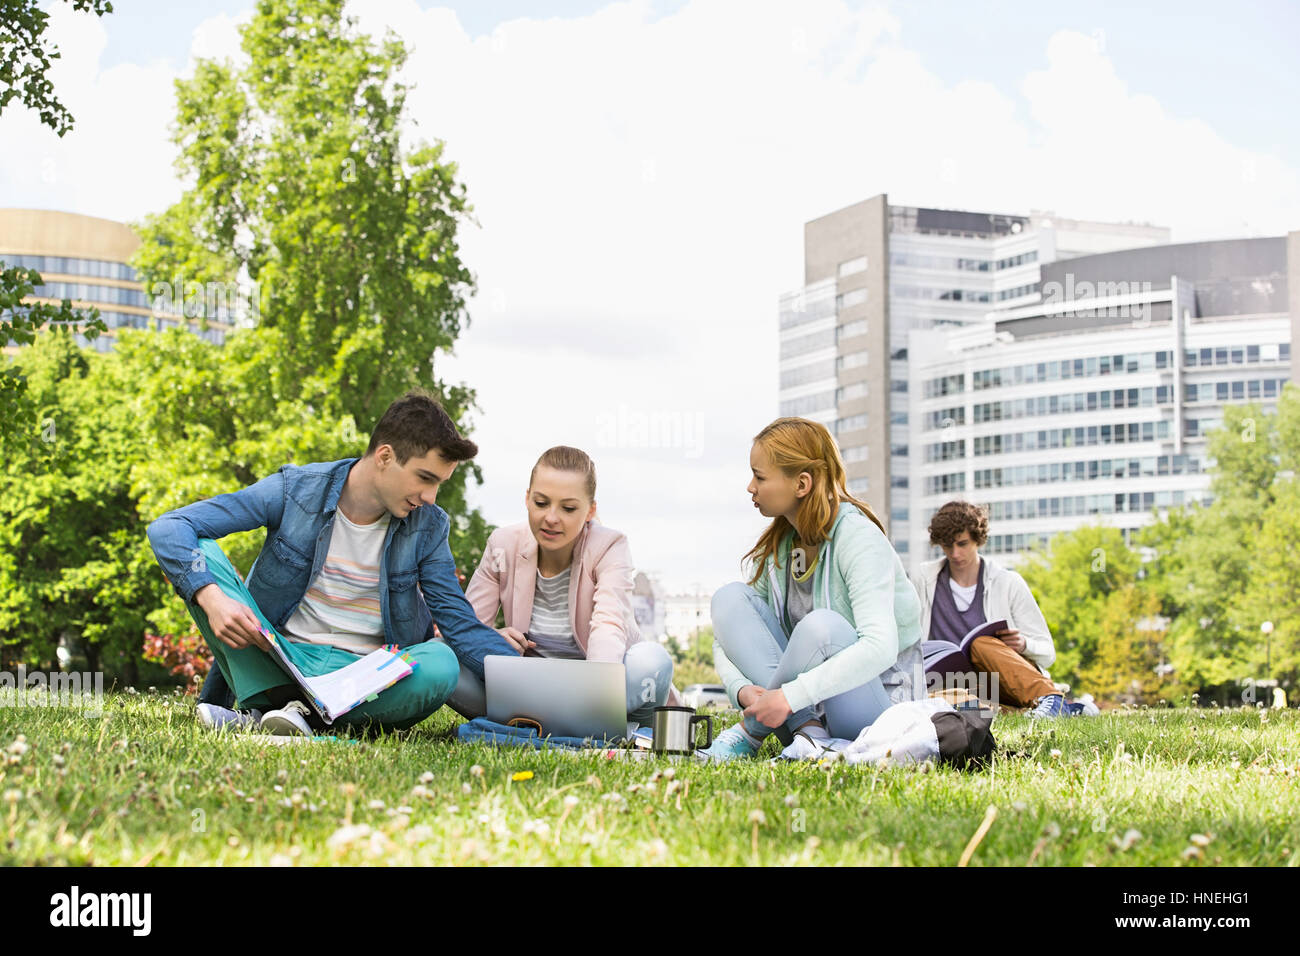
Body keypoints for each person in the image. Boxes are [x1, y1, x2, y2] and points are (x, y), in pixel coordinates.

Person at [145, 389, 518, 736]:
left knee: (441, 662)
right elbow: (170, 527)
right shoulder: (296, 491)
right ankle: (296, 714)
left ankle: (290, 719)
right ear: (385, 456)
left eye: (441, 484)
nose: (431, 497)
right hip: (279, 660)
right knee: (204, 555)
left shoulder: (429, 526)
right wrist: (213, 600)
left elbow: (460, 625)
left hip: (366, 680)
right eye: (425, 478)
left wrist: (531, 685)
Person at [699, 417, 925, 761]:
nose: (750, 487)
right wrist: (741, 689)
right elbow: (727, 639)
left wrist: (789, 696)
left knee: (824, 628)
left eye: (760, 477)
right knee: (728, 600)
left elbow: (880, 647)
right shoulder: (781, 546)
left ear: (802, 484)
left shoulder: (858, 538)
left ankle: (750, 734)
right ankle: (810, 736)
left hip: (875, 712)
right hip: (802, 710)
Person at [455, 446, 679, 731]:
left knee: (651, 660)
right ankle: (564, 726)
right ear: (527, 499)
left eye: (568, 508)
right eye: (541, 503)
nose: (551, 517)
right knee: (444, 655)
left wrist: (590, 696)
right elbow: (467, 626)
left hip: (597, 689)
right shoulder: (503, 544)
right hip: (527, 689)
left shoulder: (610, 546)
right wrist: (494, 638)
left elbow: (608, 624)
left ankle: (577, 723)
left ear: (590, 511)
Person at [912, 500, 1070, 718]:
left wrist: (1024, 644)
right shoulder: (923, 580)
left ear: (978, 539)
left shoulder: (1008, 582)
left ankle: (1051, 699)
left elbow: (1048, 652)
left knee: (980, 644)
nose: (955, 553)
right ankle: (1011, 711)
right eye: (948, 546)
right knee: (942, 700)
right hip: (957, 686)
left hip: (1003, 678)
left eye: (962, 544)